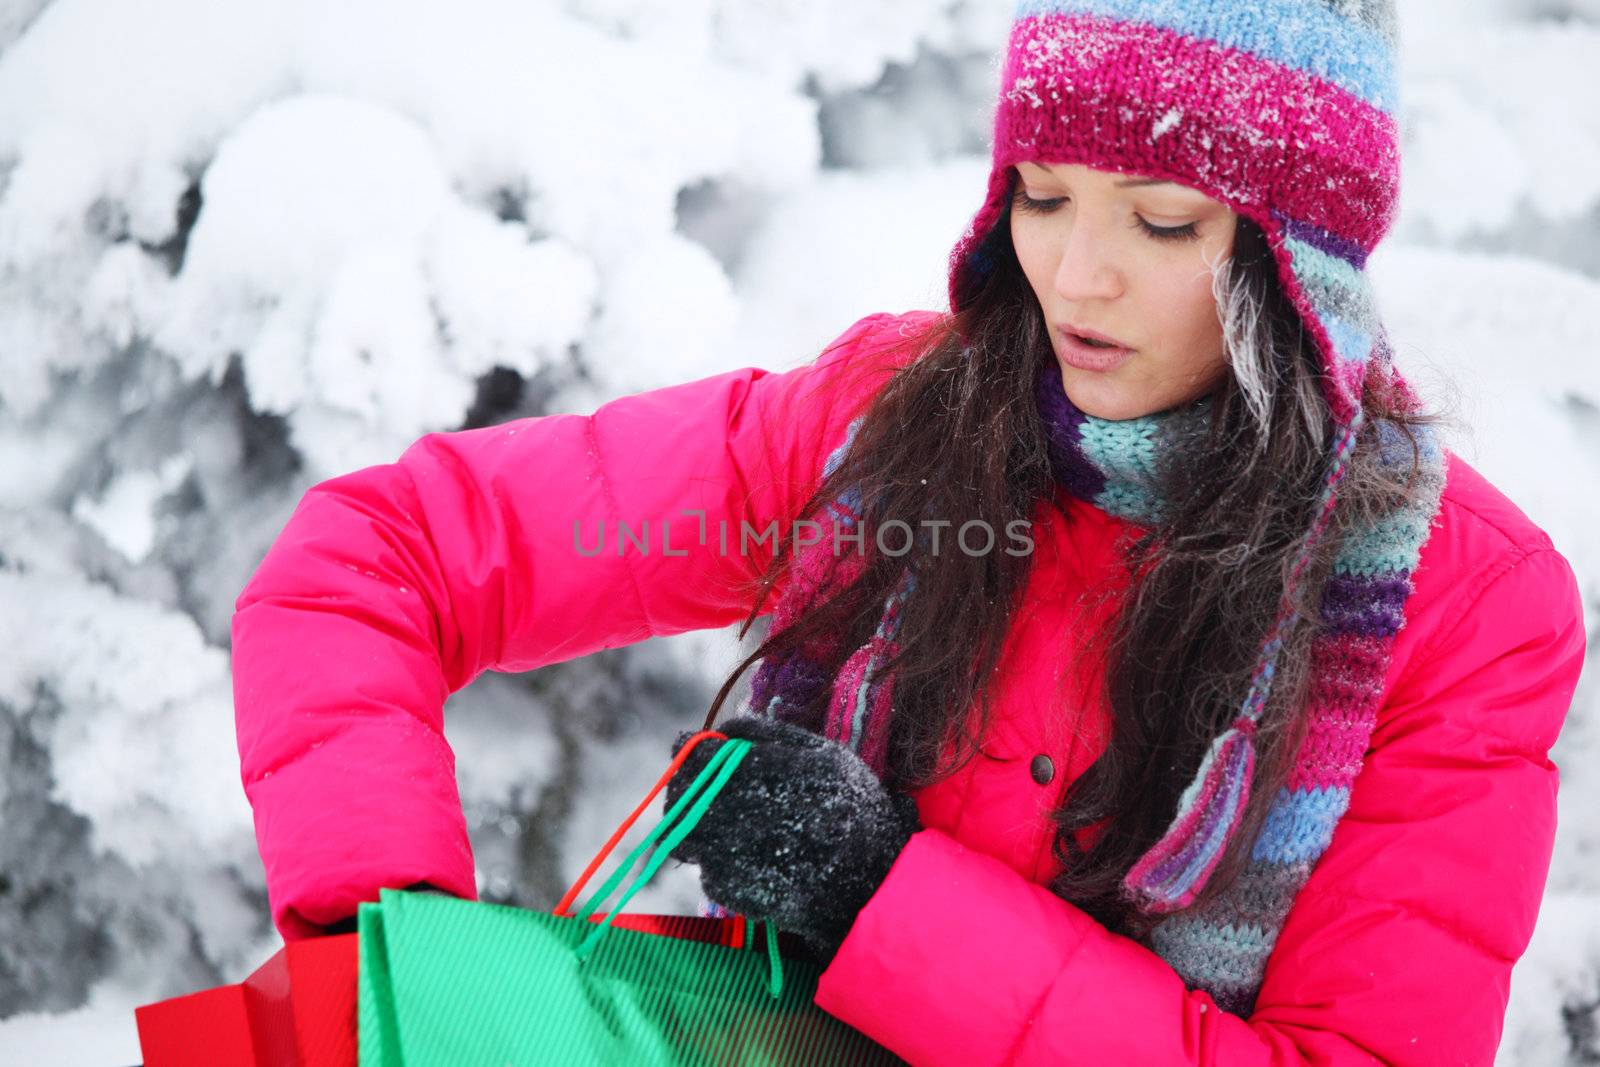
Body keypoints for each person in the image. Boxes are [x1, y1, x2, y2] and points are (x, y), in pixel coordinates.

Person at [230, 2, 1587, 1063]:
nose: (1077, 275)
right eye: (1043, 196)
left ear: (1306, 269)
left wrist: (883, 895)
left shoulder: (1461, 607)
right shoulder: (882, 430)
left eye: (1164, 222)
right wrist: (380, 952)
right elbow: (378, 556)